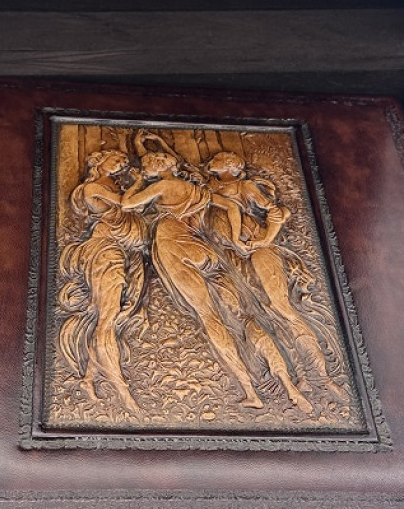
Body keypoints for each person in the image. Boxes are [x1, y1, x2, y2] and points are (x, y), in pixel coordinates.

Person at [121, 151, 312, 414]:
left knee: (210, 317)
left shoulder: (163, 186)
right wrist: (236, 240)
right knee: (244, 317)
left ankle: (250, 391)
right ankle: (289, 386)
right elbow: (231, 207)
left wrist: (136, 183)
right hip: (203, 249)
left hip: (175, 248)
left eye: (146, 166)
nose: (144, 170)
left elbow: (127, 204)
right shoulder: (196, 190)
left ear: (156, 166)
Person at [204, 150, 350, 406]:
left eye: (217, 158)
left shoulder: (245, 187)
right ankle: (300, 375)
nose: (211, 161)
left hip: (258, 252)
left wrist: (265, 240)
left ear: (229, 164)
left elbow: (278, 212)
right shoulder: (208, 189)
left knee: (281, 309)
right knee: (264, 316)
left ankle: (323, 376)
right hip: (234, 258)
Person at [57, 149, 147, 411]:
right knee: (107, 320)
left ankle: (89, 378)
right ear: (98, 162)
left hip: (125, 253)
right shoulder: (92, 188)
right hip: (106, 251)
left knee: (110, 318)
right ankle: (123, 392)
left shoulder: (115, 186)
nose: (121, 163)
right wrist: (140, 182)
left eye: (123, 161)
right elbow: (126, 203)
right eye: (116, 159)